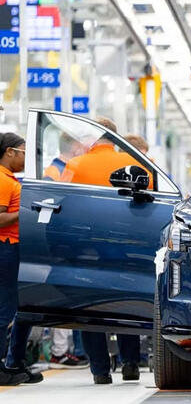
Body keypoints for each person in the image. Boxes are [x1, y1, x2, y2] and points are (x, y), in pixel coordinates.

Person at [60, 117, 144, 384]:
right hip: (126, 244)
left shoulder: (75, 165)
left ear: (92, 137)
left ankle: (100, 370)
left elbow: (63, 204)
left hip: (86, 246)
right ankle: (131, 362)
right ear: (115, 137)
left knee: (91, 305)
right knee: (127, 302)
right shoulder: (135, 164)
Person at [0, 133, 42, 386]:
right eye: (24, 152)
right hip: (5, 247)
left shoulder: (9, 179)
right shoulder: (3, 181)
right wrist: (24, 211)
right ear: (10, 152)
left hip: (12, 247)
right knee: (4, 310)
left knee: (12, 308)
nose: (27, 158)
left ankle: (11, 363)